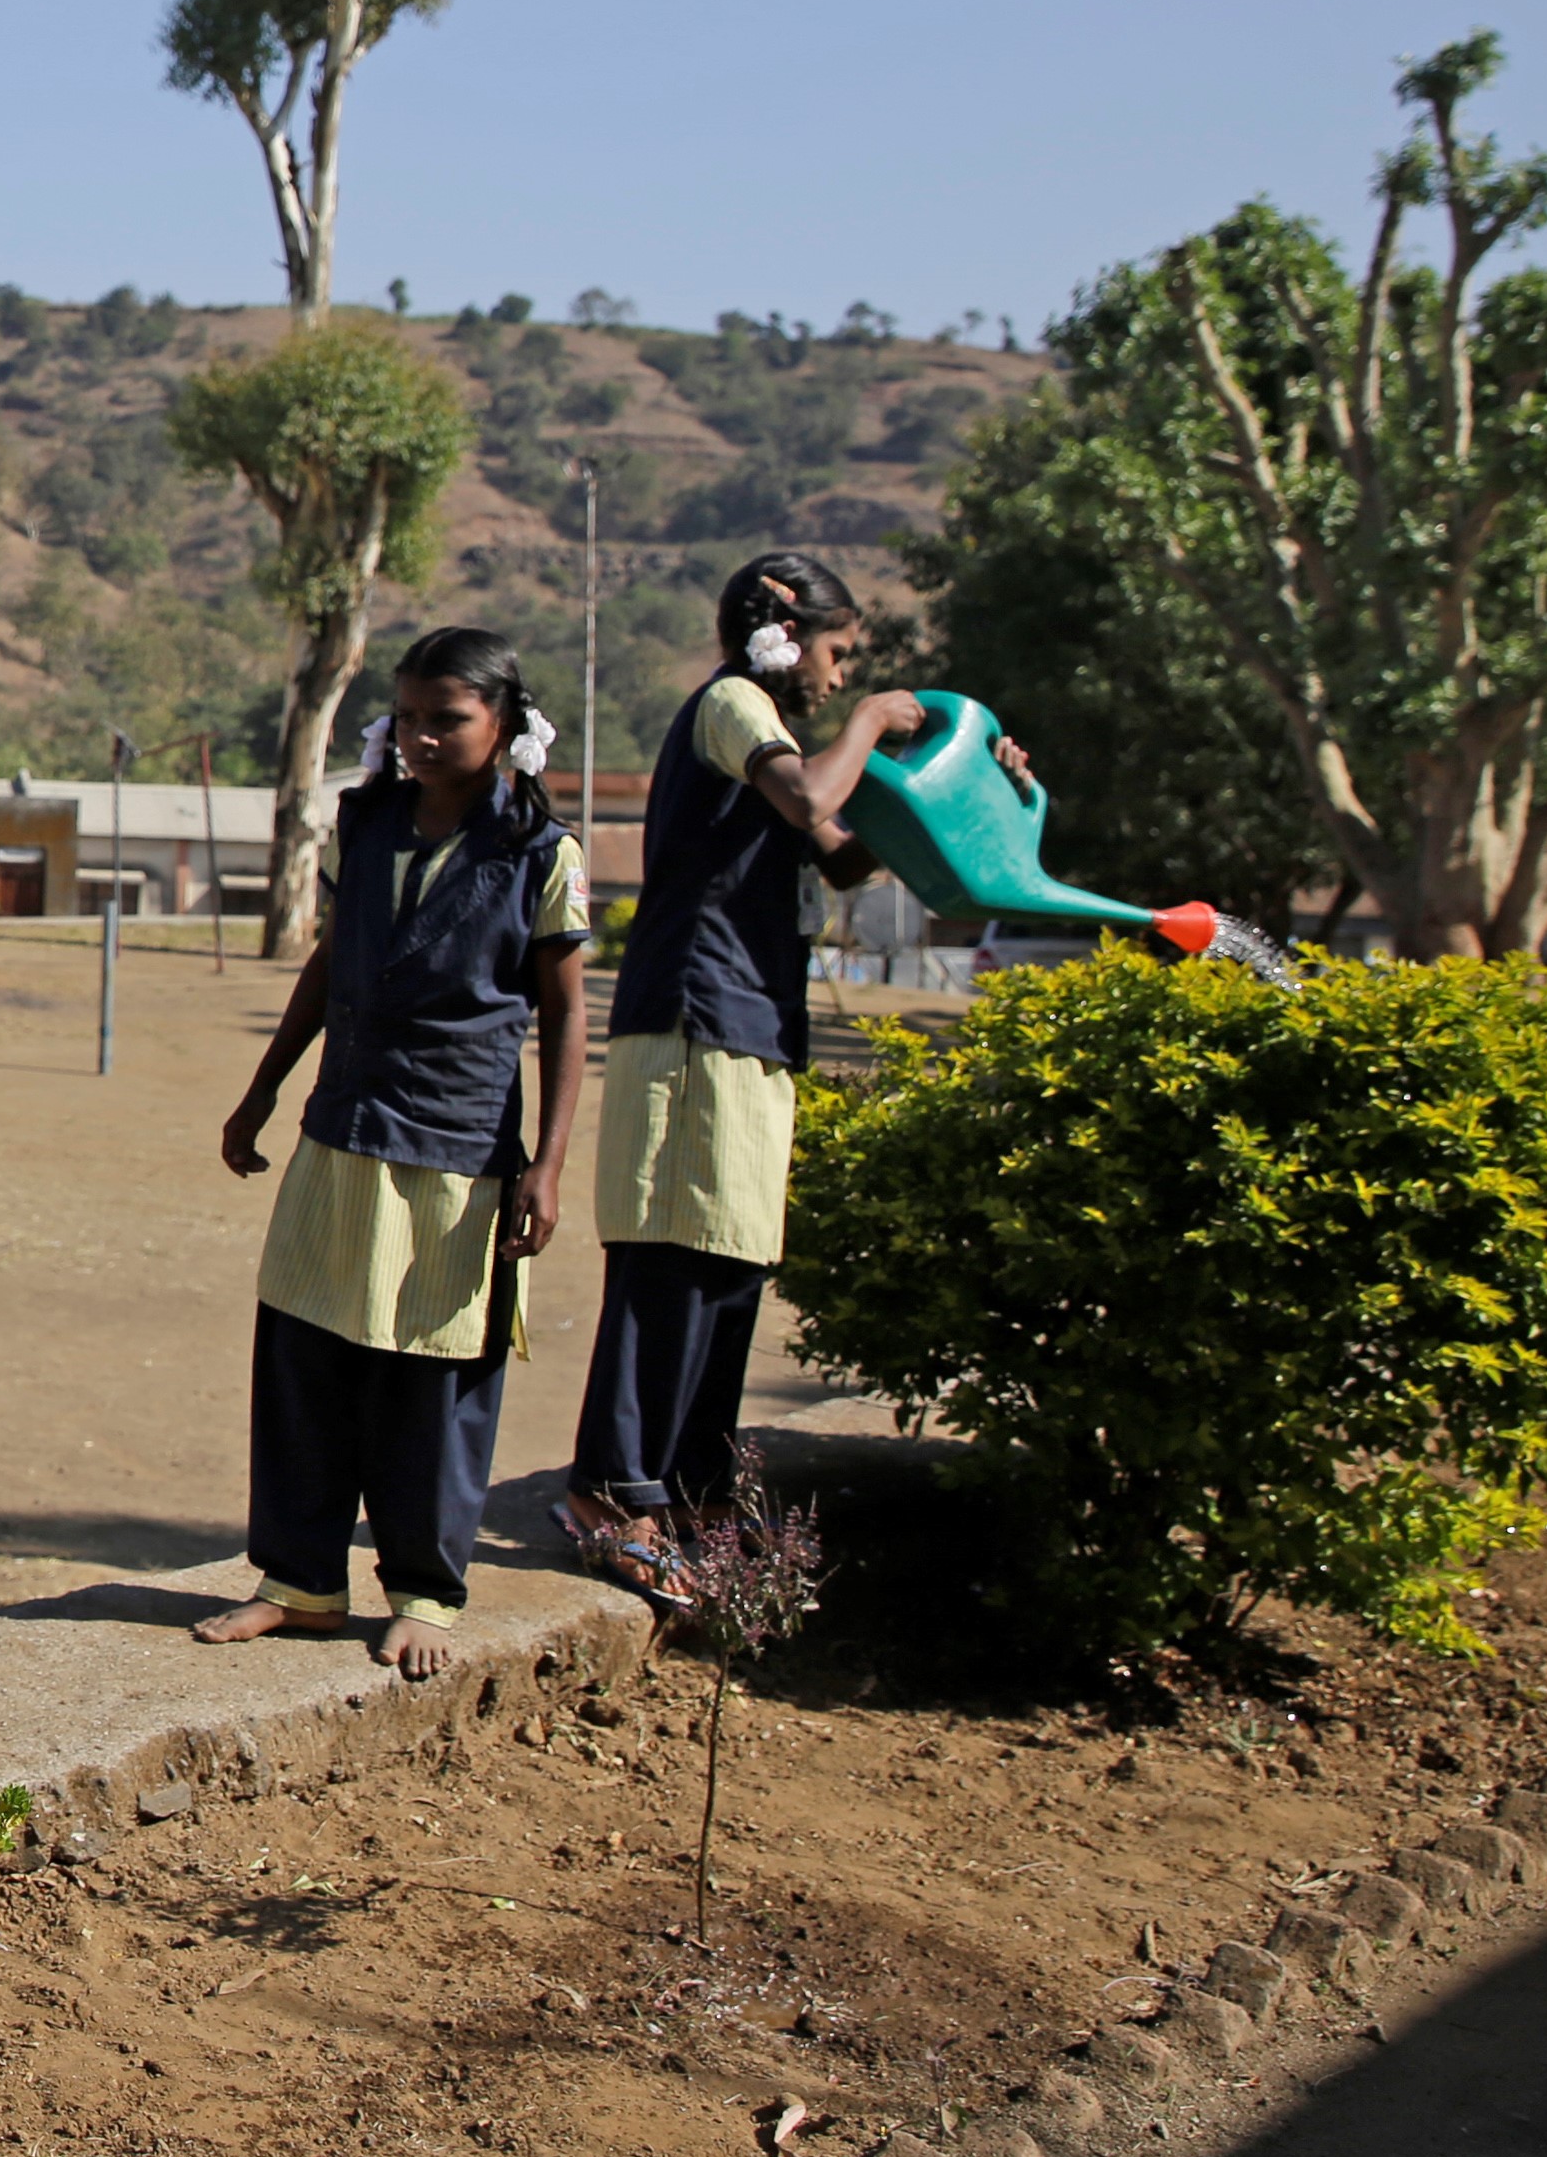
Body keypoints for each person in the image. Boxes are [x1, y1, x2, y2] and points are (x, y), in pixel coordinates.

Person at [557, 554, 1011, 1591]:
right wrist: (867, 726)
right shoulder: (731, 705)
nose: (842, 673)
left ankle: (697, 1492)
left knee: (728, 1264)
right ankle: (608, 1490)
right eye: (837, 649)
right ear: (781, 628)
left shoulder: (780, 746)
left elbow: (848, 853)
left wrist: (972, 774)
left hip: (750, 1024)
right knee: (670, 1254)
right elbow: (809, 789)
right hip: (690, 1019)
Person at [199, 625, 590, 1678]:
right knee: (303, 1355)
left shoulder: (539, 854)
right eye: (407, 716)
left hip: (455, 1147)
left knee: (427, 1377)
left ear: (502, 725)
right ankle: (298, 1584)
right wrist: (261, 1090)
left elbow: (561, 1020)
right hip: (342, 1129)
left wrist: (545, 1167)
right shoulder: (363, 823)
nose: (419, 737)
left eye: (445, 720)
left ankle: (423, 1590)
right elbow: (327, 964)